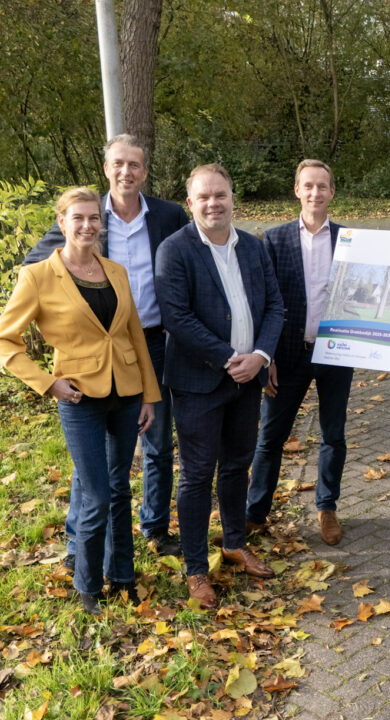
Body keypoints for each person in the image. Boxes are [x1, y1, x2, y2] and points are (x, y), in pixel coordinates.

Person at [25, 134, 189, 562]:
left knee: (158, 443)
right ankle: (78, 541)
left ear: (145, 172)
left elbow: (191, 261)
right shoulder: (86, 215)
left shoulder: (169, 215)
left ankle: (154, 527)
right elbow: (37, 267)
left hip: (154, 342)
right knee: (92, 458)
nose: (126, 172)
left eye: (134, 164)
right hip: (97, 353)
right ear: (106, 169)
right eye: (118, 163)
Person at [0, 187, 161, 615]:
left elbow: (134, 334)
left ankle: (123, 576)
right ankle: (88, 583)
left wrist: (149, 393)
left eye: (94, 218)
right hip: (78, 398)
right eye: (78, 218)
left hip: (126, 393)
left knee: (120, 488)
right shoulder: (39, 276)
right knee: (96, 495)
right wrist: (47, 383)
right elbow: (5, 340)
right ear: (62, 222)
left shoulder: (115, 270)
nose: (88, 225)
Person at [155, 164, 284, 609]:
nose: (214, 204)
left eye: (221, 195)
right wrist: (231, 358)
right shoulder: (174, 250)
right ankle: (196, 568)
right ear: (190, 203)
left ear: (233, 198)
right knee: (196, 475)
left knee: (236, 465)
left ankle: (233, 543)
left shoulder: (252, 246)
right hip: (199, 382)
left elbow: (275, 307)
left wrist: (261, 356)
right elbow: (177, 318)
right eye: (204, 197)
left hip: (248, 380)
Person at [248, 160, 353, 546]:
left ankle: (327, 507)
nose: (315, 193)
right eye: (308, 186)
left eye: (322, 186)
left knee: (333, 435)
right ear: (296, 190)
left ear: (332, 192)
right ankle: (255, 513)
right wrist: (267, 357)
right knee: (270, 438)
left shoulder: (349, 240)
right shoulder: (274, 240)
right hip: (288, 356)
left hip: (335, 353)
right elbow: (263, 302)